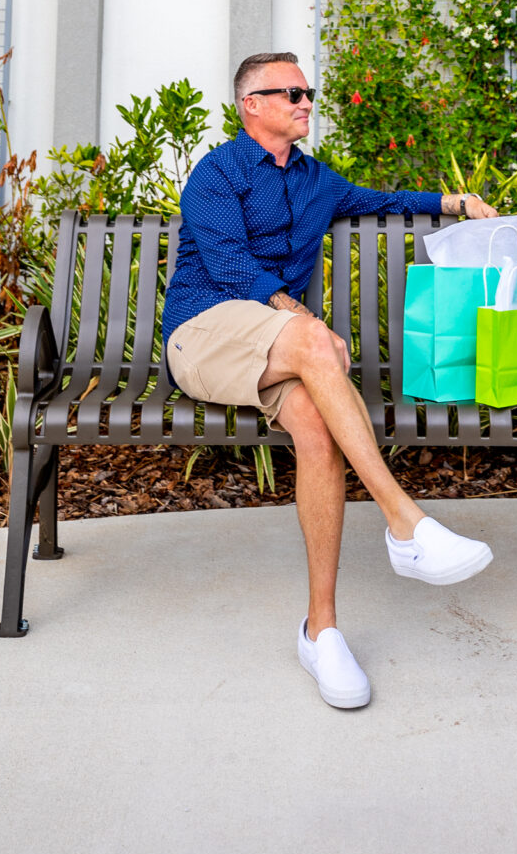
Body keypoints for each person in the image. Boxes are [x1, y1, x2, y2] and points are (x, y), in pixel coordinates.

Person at [162, 50, 499, 710]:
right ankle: (405, 523)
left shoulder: (318, 180)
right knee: (315, 343)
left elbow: (386, 199)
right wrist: (303, 321)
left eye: (307, 91)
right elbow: (230, 267)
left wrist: (456, 201)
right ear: (249, 105)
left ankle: (321, 630)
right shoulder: (218, 172)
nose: (304, 101)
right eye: (288, 93)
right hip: (203, 335)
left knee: (315, 429)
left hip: (276, 349)